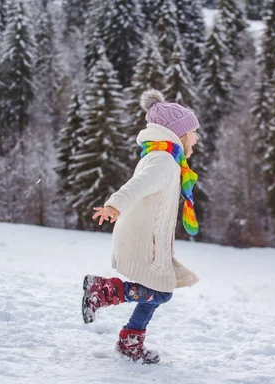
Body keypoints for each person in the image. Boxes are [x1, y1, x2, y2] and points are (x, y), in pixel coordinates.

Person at [82, 89, 201, 364]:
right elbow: (139, 185)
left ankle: (130, 342)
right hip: (142, 240)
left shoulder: (167, 159)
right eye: (194, 132)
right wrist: (116, 203)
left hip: (150, 240)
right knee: (159, 291)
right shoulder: (162, 161)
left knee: (157, 289)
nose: (196, 138)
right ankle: (103, 291)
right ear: (180, 134)